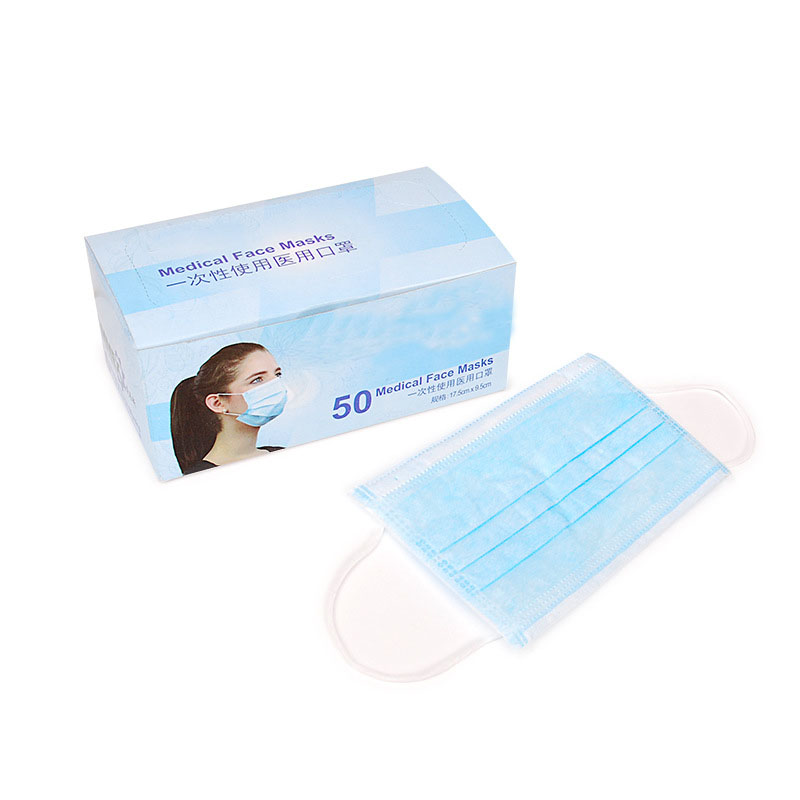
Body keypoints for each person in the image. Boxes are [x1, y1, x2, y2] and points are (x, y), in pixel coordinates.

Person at [170, 342, 286, 475]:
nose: (275, 385)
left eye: (277, 374)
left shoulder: (282, 454)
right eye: (257, 380)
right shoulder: (199, 478)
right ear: (217, 403)